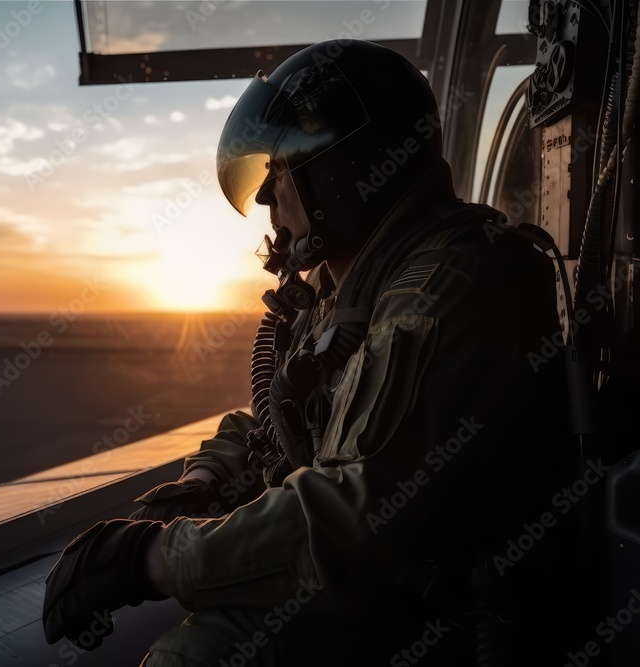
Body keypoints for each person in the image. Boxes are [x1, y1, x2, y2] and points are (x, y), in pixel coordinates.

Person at [42, 39, 579, 665]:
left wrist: (152, 561)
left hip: (441, 614)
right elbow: (278, 416)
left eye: (281, 170)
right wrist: (202, 482)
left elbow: (356, 512)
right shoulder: (349, 286)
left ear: (341, 168)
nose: (268, 198)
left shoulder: (452, 284)